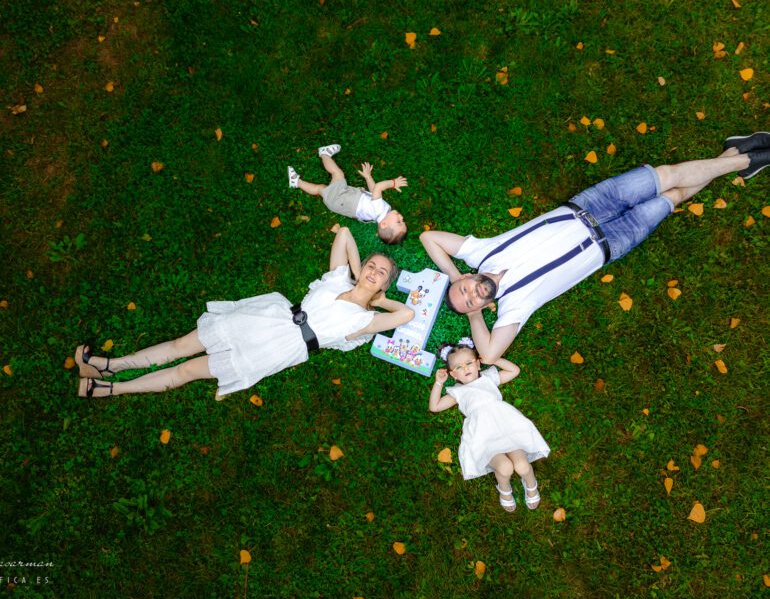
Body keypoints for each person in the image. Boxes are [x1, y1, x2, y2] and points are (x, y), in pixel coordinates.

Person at [420, 133, 770, 363]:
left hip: (592, 203)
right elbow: (490, 353)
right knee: (674, 196)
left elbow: (429, 238)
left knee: (669, 173)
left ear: (467, 275)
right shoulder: (513, 305)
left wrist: (454, 275)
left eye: (465, 290)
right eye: (471, 301)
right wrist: (475, 315)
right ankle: (737, 153)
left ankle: (745, 160)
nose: (471, 294)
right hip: (615, 240)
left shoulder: (481, 252)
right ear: (482, 306)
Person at [75, 227, 414, 398]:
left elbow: (406, 316)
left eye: (381, 272)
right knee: (181, 346)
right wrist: (358, 274)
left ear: (386, 283)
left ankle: (106, 390)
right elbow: (344, 234)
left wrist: (374, 297)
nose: (373, 271)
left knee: (188, 371)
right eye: (372, 264)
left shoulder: (364, 320)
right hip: (266, 319)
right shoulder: (338, 276)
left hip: (279, 347)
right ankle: (107, 364)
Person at [428, 338, 549, 512]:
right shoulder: (458, 392)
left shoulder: (488, 378)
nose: (465, 368)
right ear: (453, 375)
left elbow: (514, 370)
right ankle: (504, 488)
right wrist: (438, 383)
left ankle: (530, 482)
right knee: (506, 467)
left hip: (508, 428)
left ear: (478, 364)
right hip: (484, 436)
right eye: (458, 368)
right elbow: (435, 406)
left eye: (469, 363)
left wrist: (492, 359)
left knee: (522, 466)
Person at [288, 144, 408, 244]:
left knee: (337, 174)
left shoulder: (380, 210)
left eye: (399, 222)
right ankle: (296, 182)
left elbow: (377, 188)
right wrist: (368, 177)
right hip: (341, 202)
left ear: (384, 224)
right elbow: (373, 193)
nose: (401, 218)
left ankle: (324, 154)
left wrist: (393, 183)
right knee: (320, 189)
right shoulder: (382, 212)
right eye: (403, 221)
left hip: (341, 198)